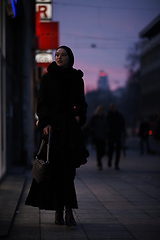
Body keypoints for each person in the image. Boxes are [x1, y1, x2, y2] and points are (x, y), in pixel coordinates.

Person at [25, 46, 89, 226]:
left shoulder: (77, 79)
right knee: (54, 173)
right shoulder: (47, 78)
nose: (59, 57)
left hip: (70, 132)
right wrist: (45, 123)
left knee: (68, 173)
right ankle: (59, 211)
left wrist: (79, 117)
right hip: (52, 132)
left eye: (63, 55)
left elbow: (82, 104)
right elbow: (42, 103)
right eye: (57, 55)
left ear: (70, 57)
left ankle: (68, 212)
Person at [88, 106, 108, 170]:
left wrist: (107, 131)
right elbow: (89, 125)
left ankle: (99, 160)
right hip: (96, 136)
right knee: (99, 150)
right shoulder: (94, 118)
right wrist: (93, 131)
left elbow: (107, 125)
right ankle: (99, 163)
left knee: (103, 150)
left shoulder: (105, 118)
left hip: (103, 136)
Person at [107, 103, 125, 170]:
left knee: (118, 150)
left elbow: (123, 124)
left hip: (118, 134)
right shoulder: (108, 115)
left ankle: (116, 164)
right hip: (111, 135)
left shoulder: (119, 115)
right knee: (110, 149)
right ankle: (110, 160)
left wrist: (123, 131)